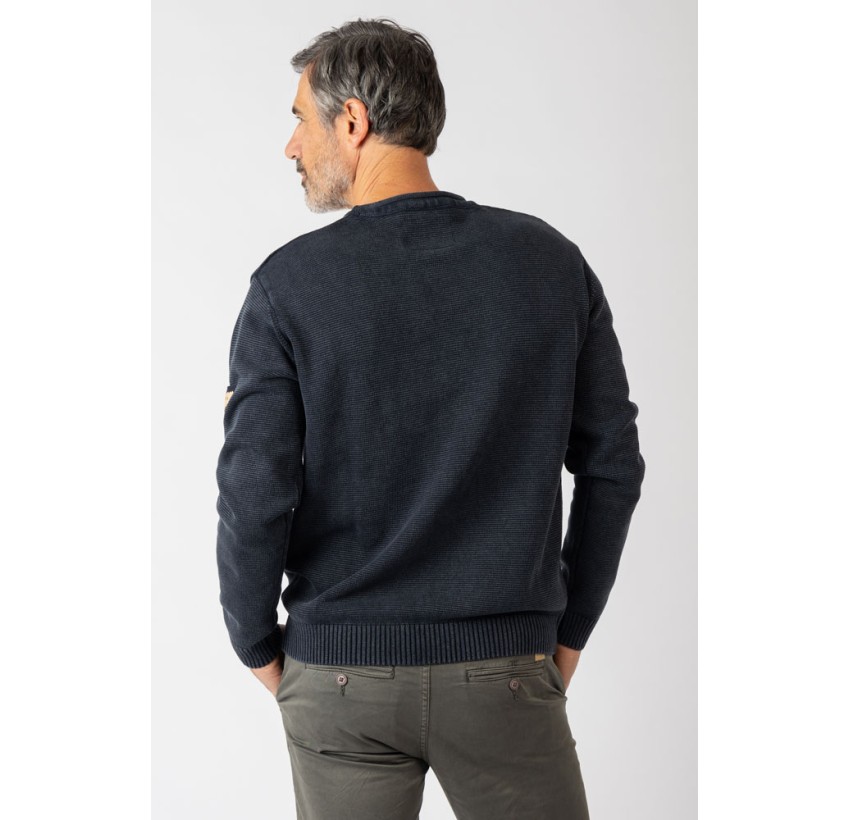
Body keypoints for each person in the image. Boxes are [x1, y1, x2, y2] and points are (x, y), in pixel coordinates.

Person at [215, 17, 646, 820]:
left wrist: (255, 641)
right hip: (507, 671)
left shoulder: (288, 288)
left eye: (301, 119)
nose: (292, 146)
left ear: (352, 120)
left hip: (339, 675)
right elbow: (613, 466)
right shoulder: (550, 264)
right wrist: (568, 633)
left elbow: (254, 492)